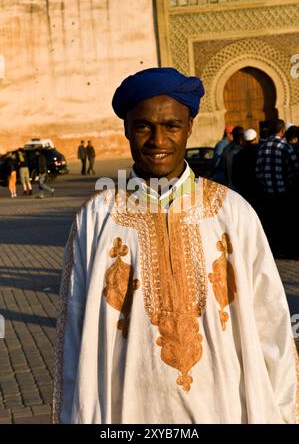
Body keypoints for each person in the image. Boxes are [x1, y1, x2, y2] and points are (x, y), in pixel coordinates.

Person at [53, 68, 298, 424]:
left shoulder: (232, 213)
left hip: (223, 406)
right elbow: (75, 335)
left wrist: (283, 411)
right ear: (126, 129)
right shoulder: (96, 218)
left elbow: (271, 321)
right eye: (143, 126)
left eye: (171, 125)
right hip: (128, 413)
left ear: (189, 127)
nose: (158, 139)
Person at [256, 119, 299, 257]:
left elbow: (258, 170)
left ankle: (274, 250)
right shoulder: (285, 147)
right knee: (285, 221)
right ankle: (286, 249)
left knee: (271, 222)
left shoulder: (262, 147)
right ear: (282, 131)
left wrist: (265, 184)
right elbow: (295, 169)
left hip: (267, 193)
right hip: (283, 192)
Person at [231, 128, 263, 212]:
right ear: (256, 138)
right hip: (260, 191)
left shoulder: (238, 155)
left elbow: (234, 177)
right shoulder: (262, 152)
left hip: (245, 193)